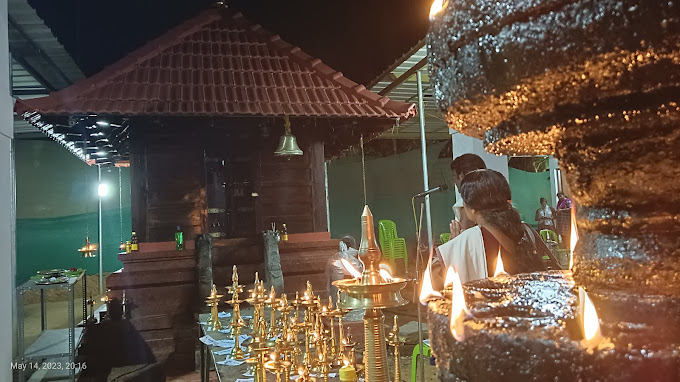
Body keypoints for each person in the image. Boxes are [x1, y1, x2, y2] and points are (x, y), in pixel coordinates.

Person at [435, 170, 555, 283]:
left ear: (471, 208)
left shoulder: (468, 239)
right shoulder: (527, 231)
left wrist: (452, 245)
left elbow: (434, 282)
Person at [449, 154, 487, 237]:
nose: (454, 181)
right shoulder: (493, 196)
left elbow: (463, 236)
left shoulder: (468, 201)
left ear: (462, 176)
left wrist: (453, 241)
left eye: (455, 176)